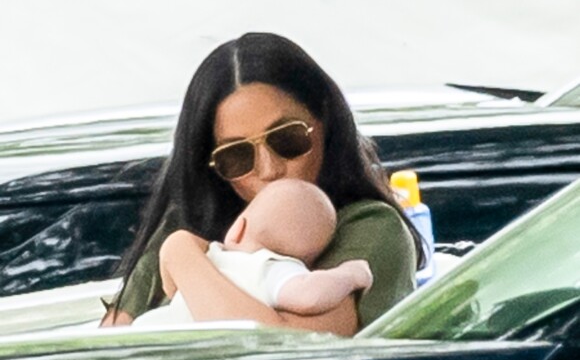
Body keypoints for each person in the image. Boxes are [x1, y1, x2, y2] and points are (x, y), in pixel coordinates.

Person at [101, 32, 425, 335]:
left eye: (288, 138)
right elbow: (109, 346)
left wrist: (182, 256)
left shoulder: (369, 227)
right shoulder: (188, 222)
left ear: (325, 122)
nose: (269, 170)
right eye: (237, 156)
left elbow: (285, 350)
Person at [133, 178, 373, 326]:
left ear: (238, 227)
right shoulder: (270, 268)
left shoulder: (211, 256)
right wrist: (350, 275)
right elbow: (309, 296)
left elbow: (170, 288)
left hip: (157, 330)